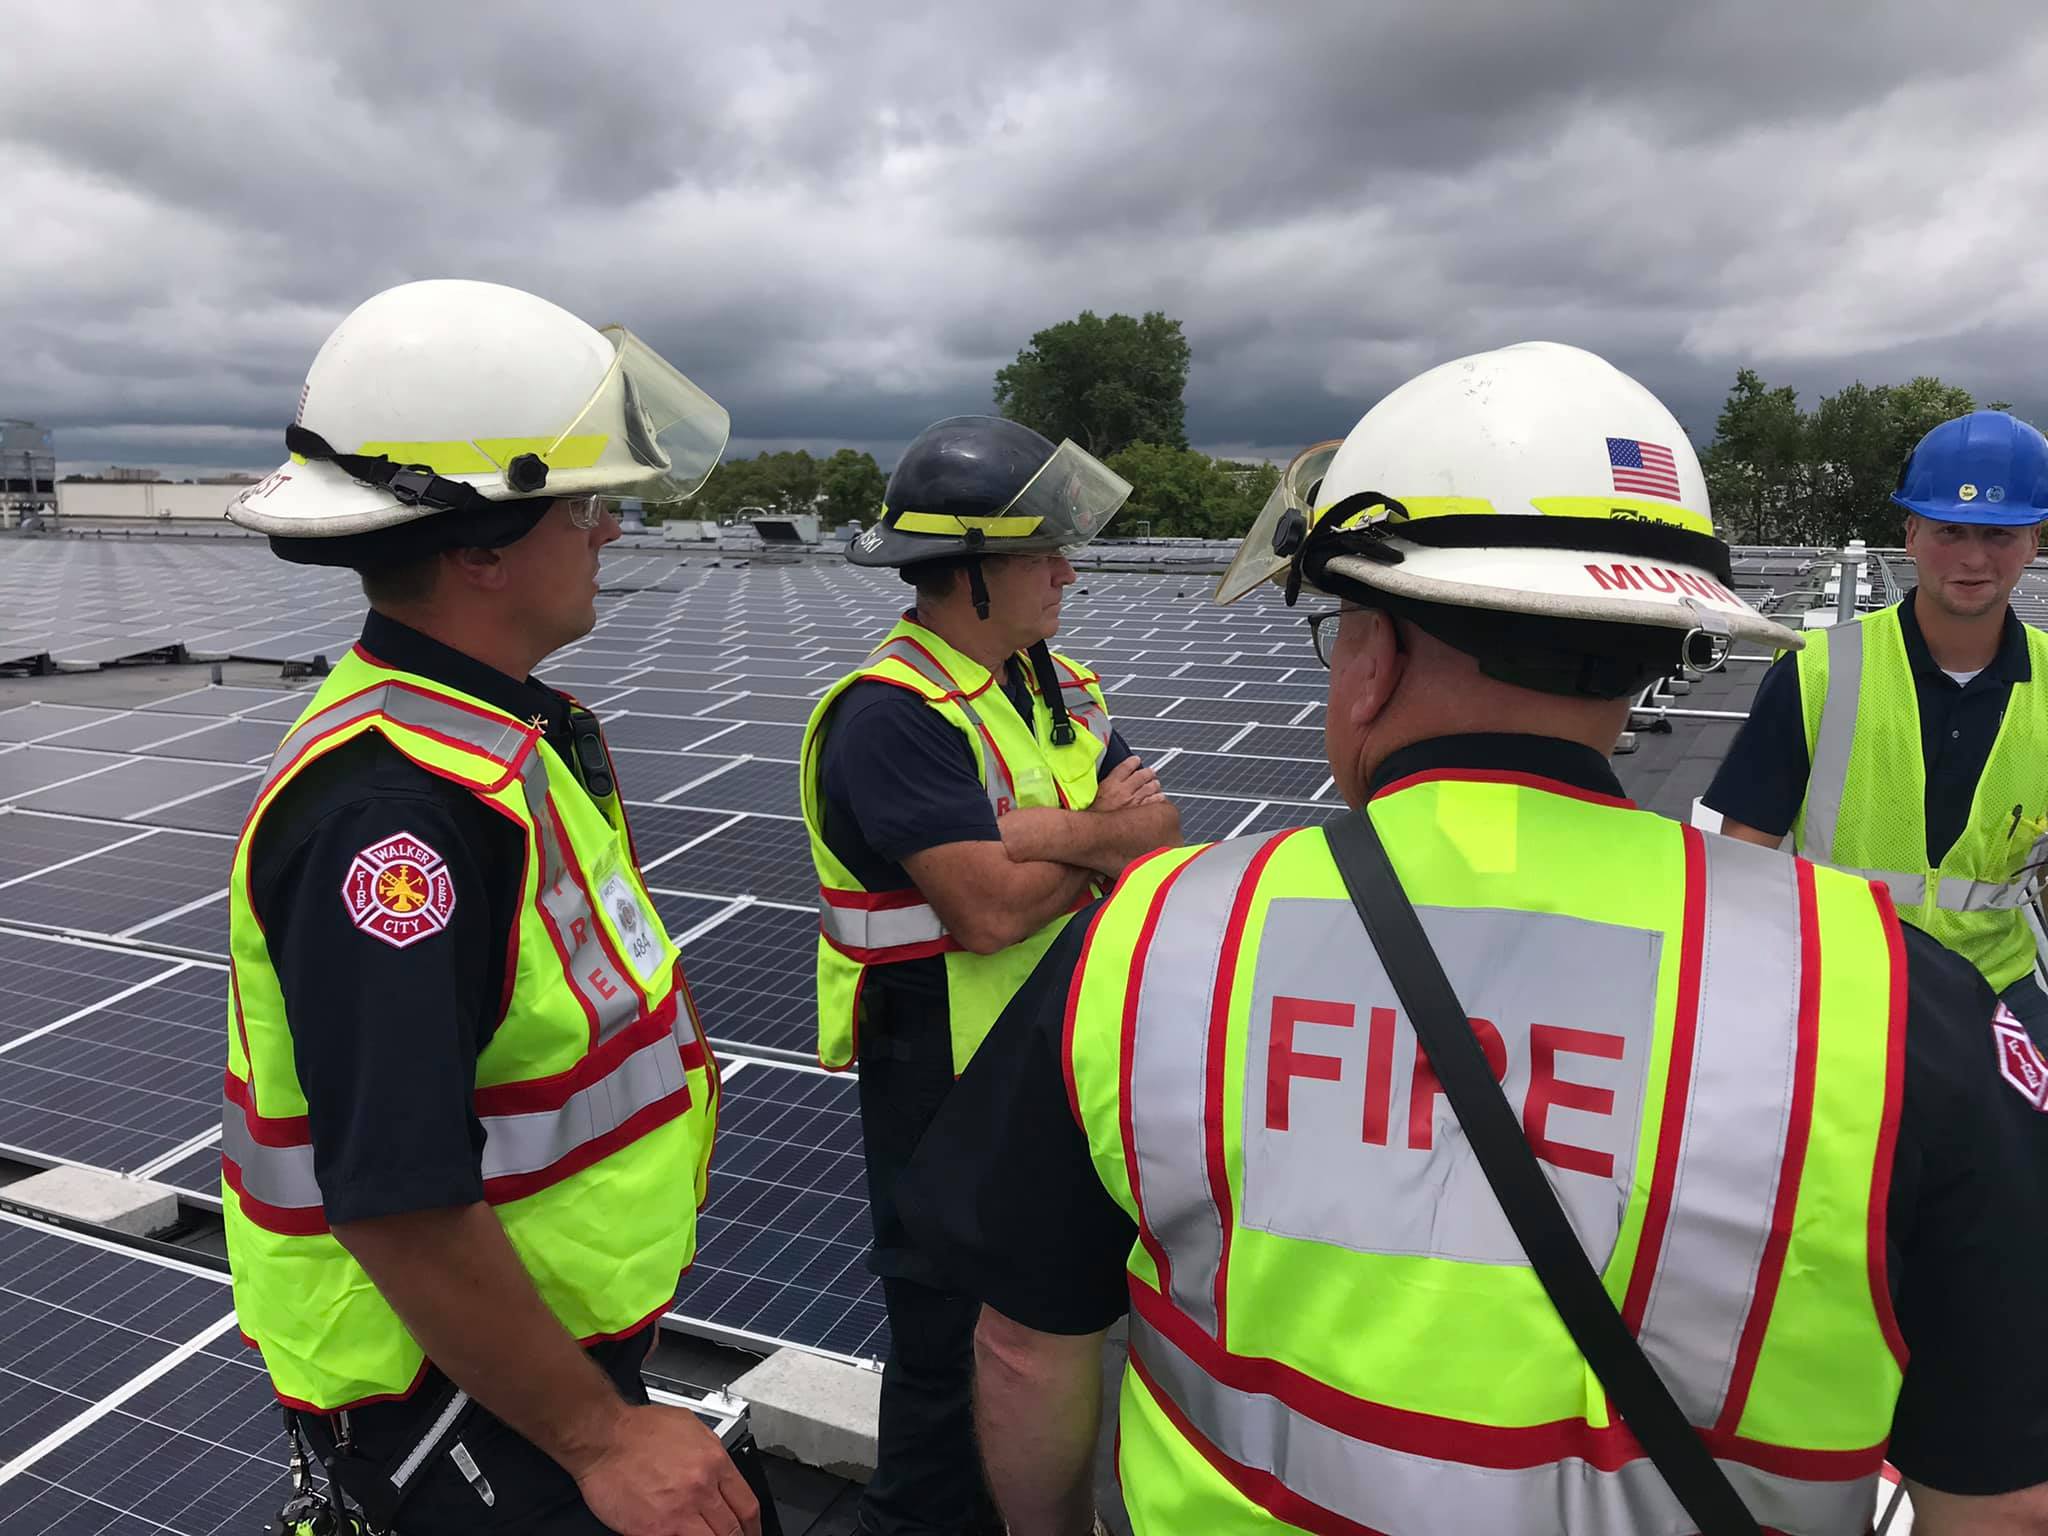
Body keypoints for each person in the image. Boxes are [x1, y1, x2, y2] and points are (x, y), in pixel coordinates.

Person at [898, 344, 2048, 1535]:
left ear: (1374, 653)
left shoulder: (1155, 941)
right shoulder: (1894, 1008)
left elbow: (1026, 1349)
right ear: (1653, 644)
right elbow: (1998, 1499)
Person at [221, 279, 761, 1536]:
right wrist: (602, 1438)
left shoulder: (502, 737)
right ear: (477, 547)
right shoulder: (394, 816)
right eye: (585, 507)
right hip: (444, 1397)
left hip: (515, 1353)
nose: (608, 535)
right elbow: (399, 1198)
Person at [800, 414, 1182, 1535]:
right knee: (948, 1366)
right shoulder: (889, 716)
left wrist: (1035, 833)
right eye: (1037, 553)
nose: (1066, 570)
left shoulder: (1057, 681)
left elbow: (1157, 828)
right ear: (965, 575)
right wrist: (1090, 837)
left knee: (1037, 1333)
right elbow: (983, 908)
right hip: (939, 1078)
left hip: (1050, 1051)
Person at [1704, 408, 2048, 1044]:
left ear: (2034, 541)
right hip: (1842, 982)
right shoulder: (1816, 673)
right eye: (1951, 529)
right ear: (1911, 532)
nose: (1974, 557)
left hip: (1998, 992)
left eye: (2000, 534)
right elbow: (1740, 858)